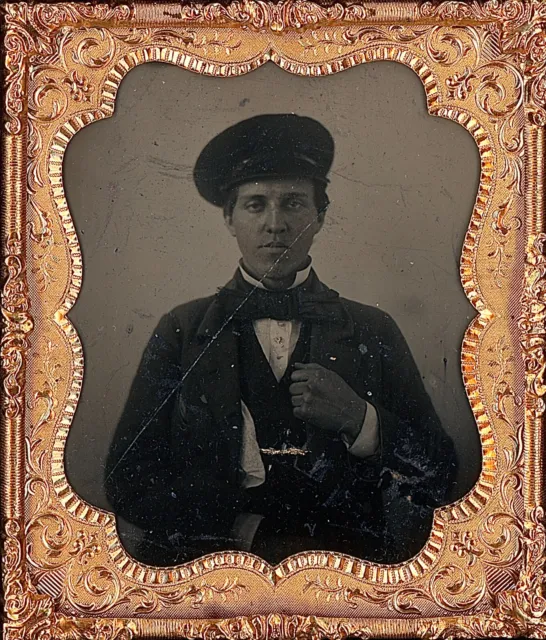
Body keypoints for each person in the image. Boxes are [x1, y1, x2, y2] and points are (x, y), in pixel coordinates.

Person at [105, 114, 458, 567]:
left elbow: (441, 474)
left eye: (293, 203)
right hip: (212, 582)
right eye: (256, 205)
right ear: (230, 218)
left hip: (345, 581)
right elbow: (125, 480)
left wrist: (360, 418)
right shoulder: (182, 329)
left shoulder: (374, 329)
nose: (276, 224)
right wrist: (233, 525)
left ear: (320, 216)